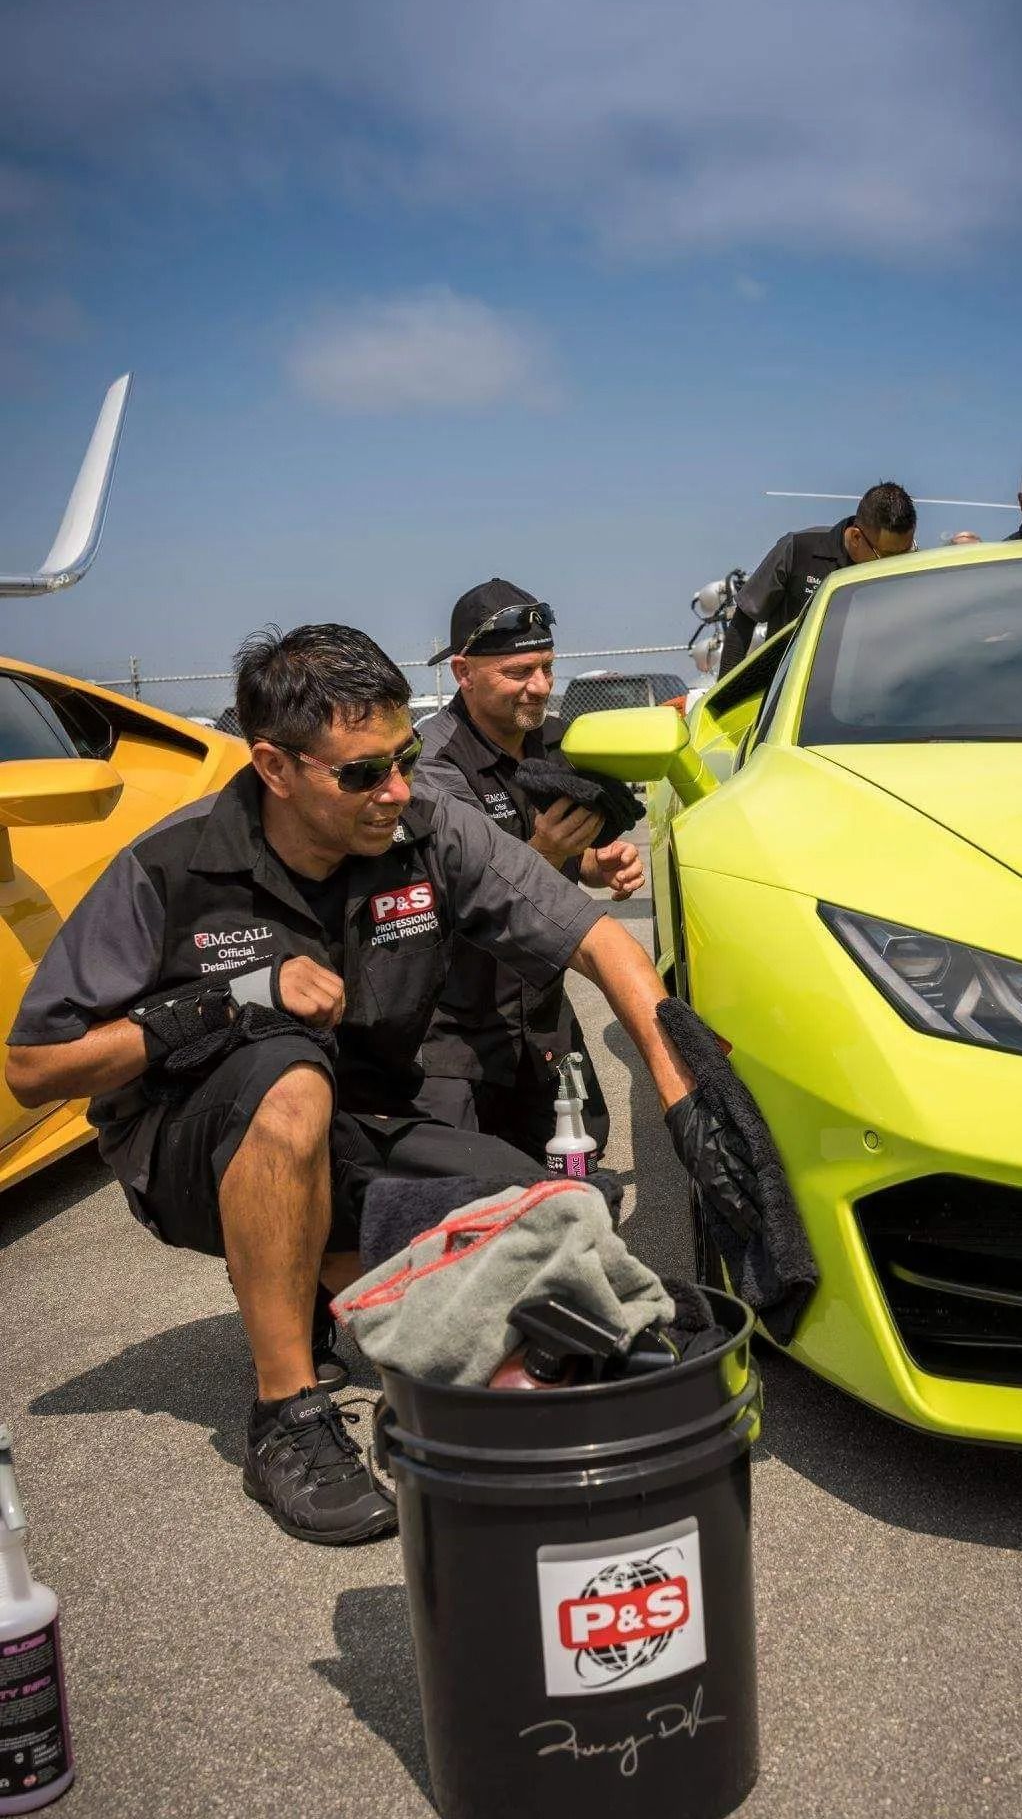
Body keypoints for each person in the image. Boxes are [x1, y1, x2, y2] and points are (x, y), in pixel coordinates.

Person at [5, 625, 753, 1547]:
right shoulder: (172, 866)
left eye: (403, 758)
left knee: (537, 1211)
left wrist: (692, 1103)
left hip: (361, 1125)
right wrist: (228, 1002)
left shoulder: (424, 828)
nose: (397, 790)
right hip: (194, 1149)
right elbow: (35, 1068)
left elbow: (596, 940)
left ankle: (336, 1278)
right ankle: (286, 1411)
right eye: (362, 773)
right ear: (275, 767)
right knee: (285, 1078)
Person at [413, 578, 643, 1160]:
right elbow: (462, 890)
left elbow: (567, 862)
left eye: (546, 667)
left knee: (579, 1165)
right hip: (456, 1035)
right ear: (463, 672)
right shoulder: (431, 767)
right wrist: (543, 853)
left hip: (541, 1019)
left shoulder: (555, 742)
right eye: (518, 673)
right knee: (463, 1197)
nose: (540, 687)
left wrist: (595, 862)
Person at [717, 480, 917, 675]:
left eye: (906, 553)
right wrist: (723, 702)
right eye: (887, 556)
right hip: (792, 693)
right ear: (856, 537)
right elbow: (744, 619)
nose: (895, 565)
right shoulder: (797, 550)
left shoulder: (907, 571)